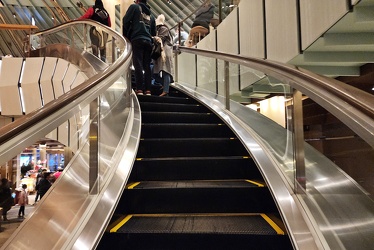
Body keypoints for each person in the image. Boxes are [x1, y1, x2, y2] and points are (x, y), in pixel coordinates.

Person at [122, 0, 156, 96]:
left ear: (137, 1)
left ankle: (140, 89)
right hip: (148, 41)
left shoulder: (134, 7)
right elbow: (153, 32)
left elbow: (125, 21)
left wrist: (129, 32)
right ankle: (148, 90)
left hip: (137, 39)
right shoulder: (151, 15)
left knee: (138, 65)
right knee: (147, 66)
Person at [153, 14, 174, 97]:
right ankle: (165, 85)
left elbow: (160, 39)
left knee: (166, 71)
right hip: (161, 52)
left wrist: (153, 38)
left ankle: (166, 90)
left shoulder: (164, 29)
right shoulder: (162, 29)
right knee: (154, 72)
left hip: (165, 52)